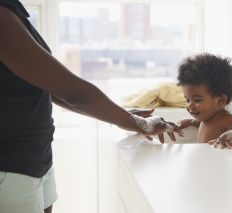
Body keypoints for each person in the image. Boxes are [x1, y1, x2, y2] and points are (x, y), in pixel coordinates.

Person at [0, 1, 181, 213]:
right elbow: (73, 92)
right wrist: (137, 123)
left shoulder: (13, 12)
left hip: (35, 157)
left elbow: (50, 87)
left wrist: (125, 117)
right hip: (10, 164)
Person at [176, 53, 232, 149]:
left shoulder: (226, 119)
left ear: (221, 101)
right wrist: (191, 122)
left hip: (217, 163)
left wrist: (229, 137)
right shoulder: (207, 118)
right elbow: (204, 125)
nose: (190, 105)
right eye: (187, 99)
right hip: (205, 160)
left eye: (197, 100)